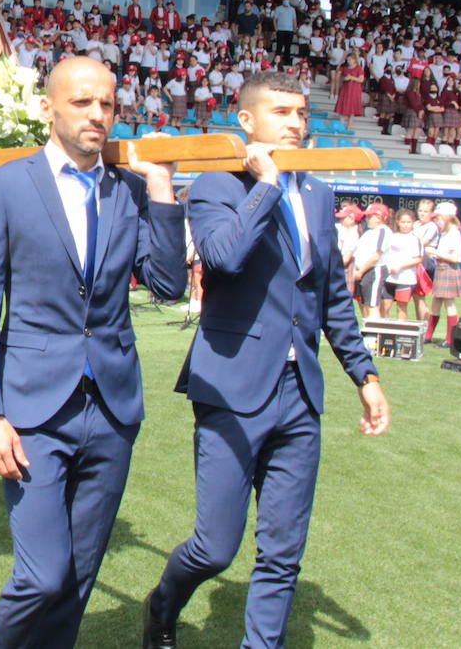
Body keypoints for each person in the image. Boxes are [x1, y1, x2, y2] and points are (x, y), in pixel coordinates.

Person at [143, 70, 389, 649]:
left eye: (302, 112)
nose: (298, 123)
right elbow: (223, 259)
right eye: (282, 112)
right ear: (246, 121)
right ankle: (163, 602)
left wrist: (365, 374)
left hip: (300, 393)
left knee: (282, 552)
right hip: (231, 387)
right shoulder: (215, 185)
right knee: (216, 546)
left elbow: (330, 296)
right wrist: (267, 184)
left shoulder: (321, 194)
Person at [0, 57, 186, 647]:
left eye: (107, 104)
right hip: (31, 411)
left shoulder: (131, 191)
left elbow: (168, 285)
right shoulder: (7, 185)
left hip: (111, 411)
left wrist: (162, 189)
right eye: (83, 102)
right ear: (47, 108)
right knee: (42, 575)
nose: (97, 115)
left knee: (80, 576)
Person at [423, 201, 461, 348]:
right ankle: (427, 336)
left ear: (447, 216)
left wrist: (436, 253)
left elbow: (457, 257)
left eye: (439, 216)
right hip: (441, 267)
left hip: (449, 268)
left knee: (449, 304)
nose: (437, 220)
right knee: (435, 302)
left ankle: (450, 339)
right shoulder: (445, 232)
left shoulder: (453, 232)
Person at [351, 202, 391, 319]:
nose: (367, 219)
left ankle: (374, 335)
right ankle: (367, 332)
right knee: (366, 305)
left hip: (374, 270)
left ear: (379, 217)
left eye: (370, 216)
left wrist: (360, 271)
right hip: (363, 270)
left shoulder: (383, 231)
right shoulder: (369, 232)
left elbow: (376, 255)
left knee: (373, 305)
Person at [381, 208, 422, 322]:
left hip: (405, 279)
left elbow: (418, 259)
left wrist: (400, 266)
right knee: (384, 306)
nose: (405, 225)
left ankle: (400, 334)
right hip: (389, 278)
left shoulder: (414, 239)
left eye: (408, 222)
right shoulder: (392, 237)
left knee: (401, 307)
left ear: (413, 223)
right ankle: (383, 333)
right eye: (403, 222)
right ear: (398, 222)